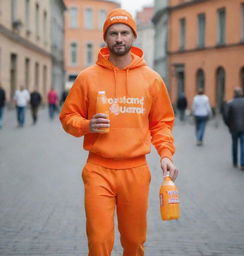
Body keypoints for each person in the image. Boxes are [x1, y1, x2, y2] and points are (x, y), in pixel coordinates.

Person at [59, 8, 178, 256]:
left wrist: (165, 154)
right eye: (113, 33)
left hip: (135, 171)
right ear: (106, 37)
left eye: (125, 32)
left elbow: (161, 123)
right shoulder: (87, 78)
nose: (119, 38)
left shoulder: (152, 79)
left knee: (134, 242)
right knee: (99, 241)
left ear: (134, 36)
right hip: (98, 169)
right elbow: (68, 117)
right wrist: (86, 125)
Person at [223, 88, 244, 171]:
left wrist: (228, 124)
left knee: (234, 144)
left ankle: (235, 162)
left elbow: (226, 116)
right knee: (243, 145)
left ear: (234, 93)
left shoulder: (230, 103)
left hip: (234, 127)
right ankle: (243, 164)